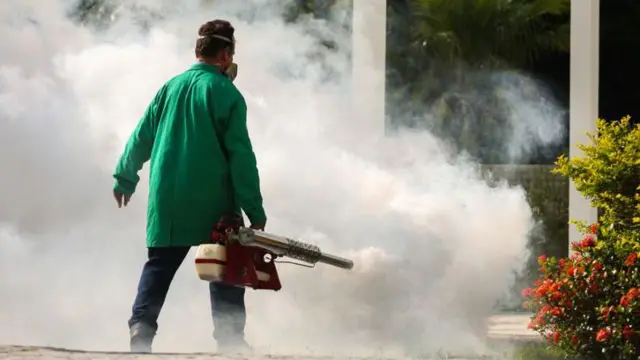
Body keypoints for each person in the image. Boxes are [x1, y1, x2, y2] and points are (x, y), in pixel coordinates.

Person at [111, 19, 266, 354]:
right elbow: (241, 156)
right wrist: (254, 209)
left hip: (168, 198)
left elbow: (142, 136)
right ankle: (230, 339)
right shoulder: (226, 93)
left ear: (198, 50)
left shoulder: (169, 88)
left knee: (160, 265)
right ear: (226, 55)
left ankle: (141, 329)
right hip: (215, 203)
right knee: (225, 262)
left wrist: (125, 176)